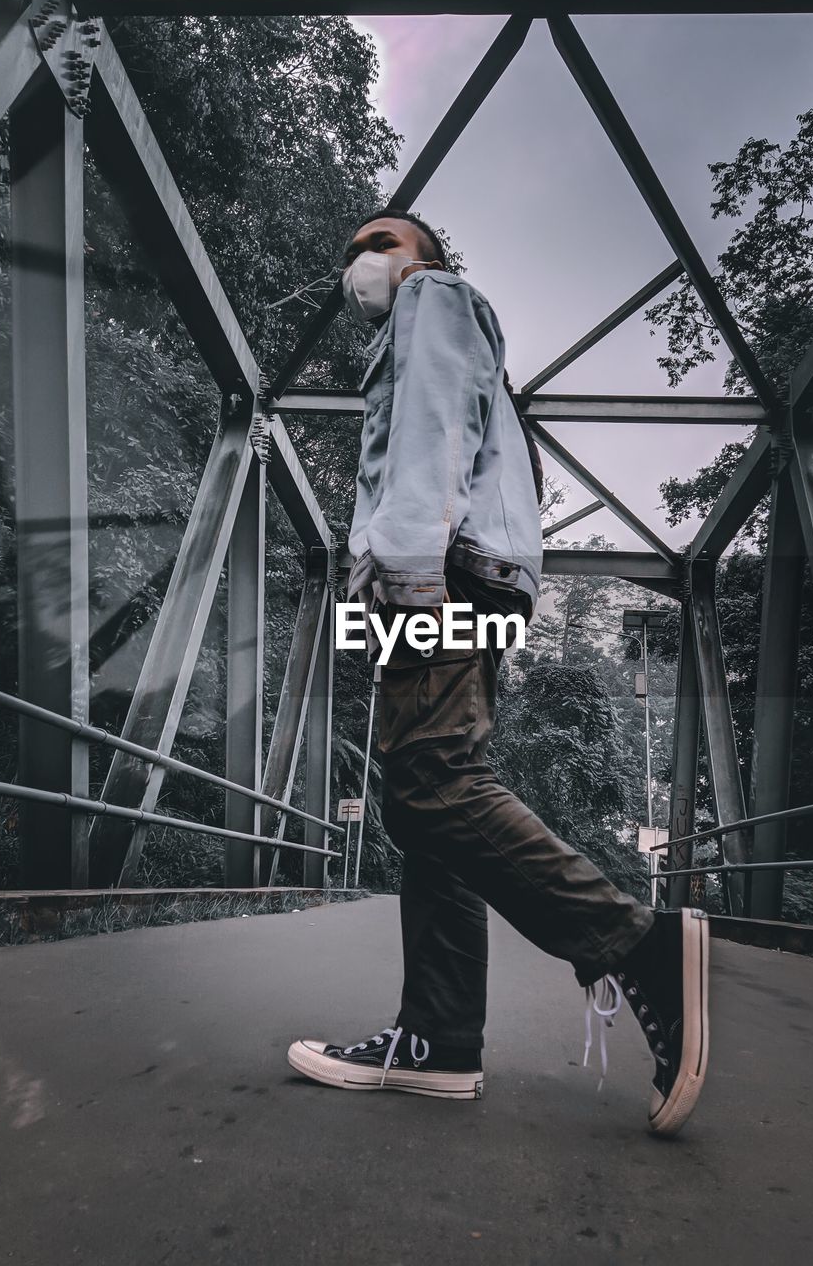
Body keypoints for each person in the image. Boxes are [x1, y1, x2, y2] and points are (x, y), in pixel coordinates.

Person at [287, 210, 709, 1137]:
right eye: (354, 247)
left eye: (382, 242)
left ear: (429, 258)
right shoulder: (436, 312)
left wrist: (405, 577)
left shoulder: (431, 300)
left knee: (435, 781)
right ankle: (439, 1040)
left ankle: (635, 943)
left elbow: (434, 427)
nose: (362, 257)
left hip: (435, 570)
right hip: (457, 567)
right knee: (421, 800)